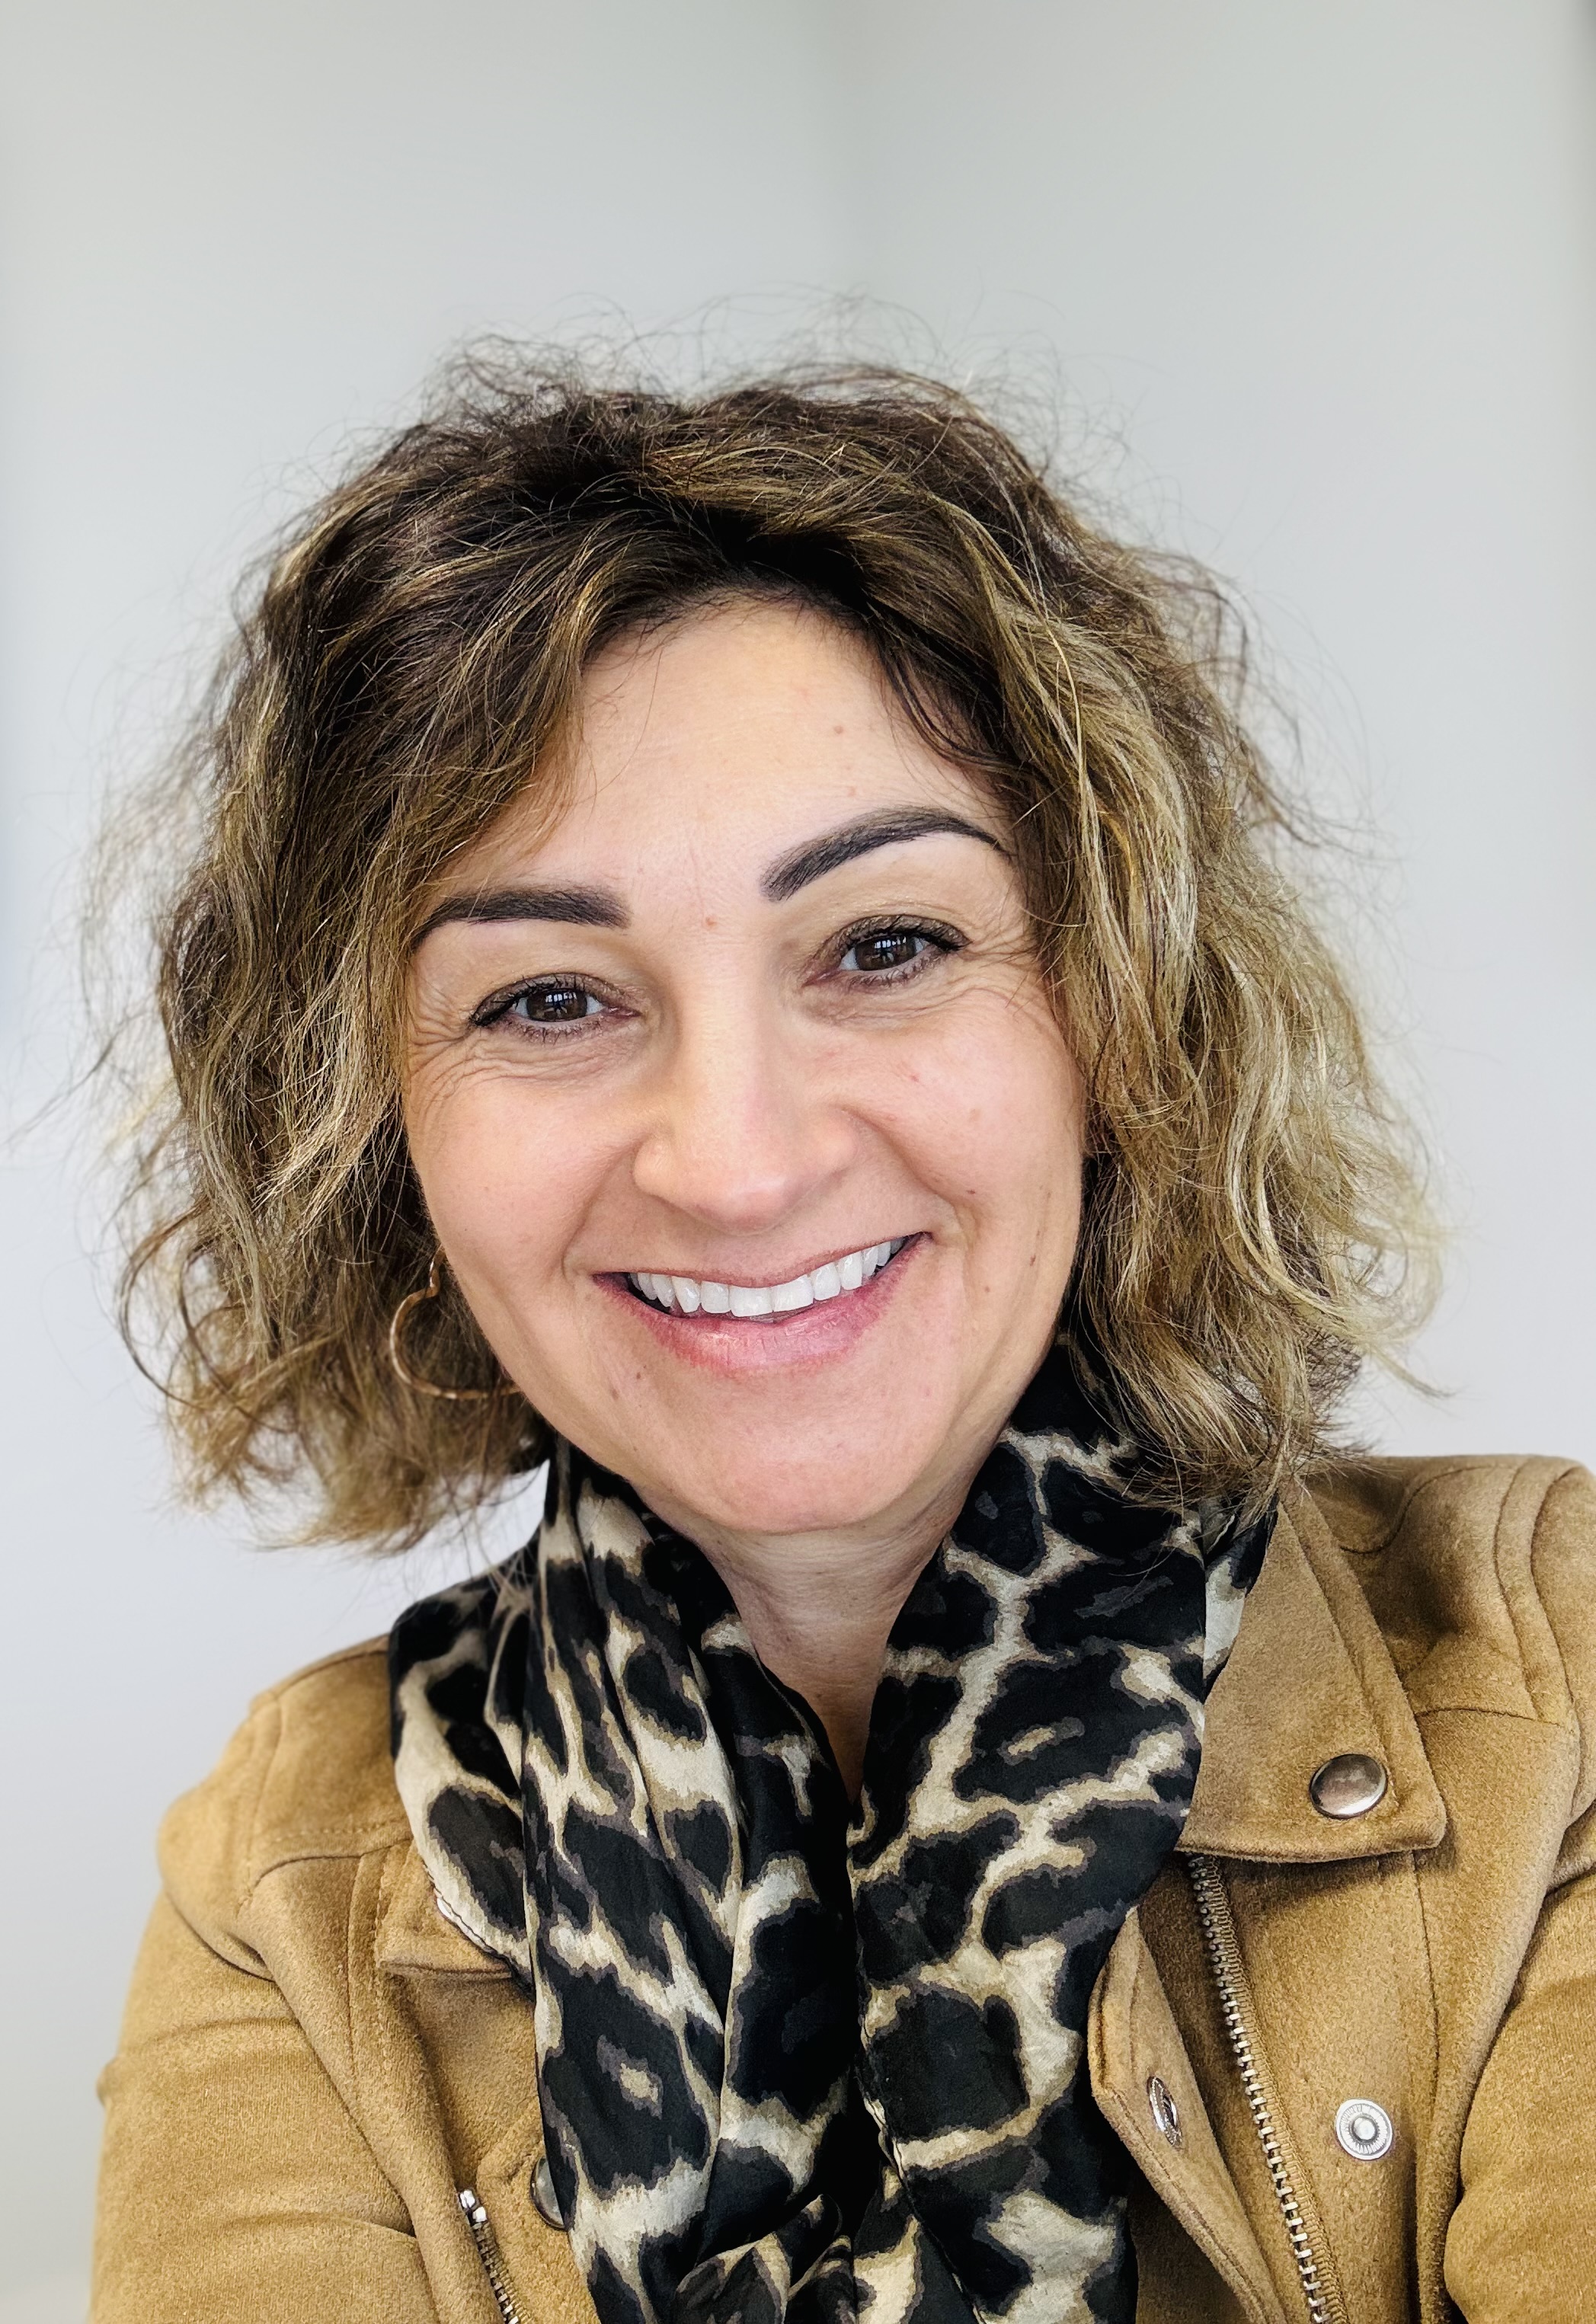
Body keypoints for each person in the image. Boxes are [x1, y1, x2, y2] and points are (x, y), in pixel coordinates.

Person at [90, 359, 1596, 2324]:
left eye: (886, 946)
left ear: (1126, 1017)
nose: (737, 1165)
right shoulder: (285, 1875)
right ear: (376, 1138)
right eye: (548, 998)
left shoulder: (1554, 1673)